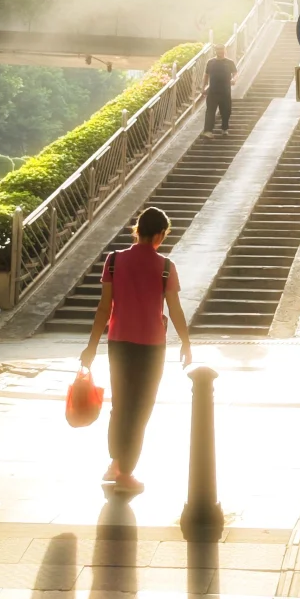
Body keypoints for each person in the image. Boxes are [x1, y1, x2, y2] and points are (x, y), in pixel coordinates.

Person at [79, 206, 192, 495]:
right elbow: (174, 308)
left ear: (136, 230)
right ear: (159, 234)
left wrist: (91, 347)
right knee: (141, 409)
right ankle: (125, 473)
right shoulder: (165, 266)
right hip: (152, 347)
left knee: (120, 406)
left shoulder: (114, 261)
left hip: (119, 344)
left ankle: (116, 462)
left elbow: (104, 308)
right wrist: (186, 342)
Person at [202, 44, 236, 137]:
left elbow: (235, 73)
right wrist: (203, 87)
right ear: (215, 51)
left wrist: (234, 79)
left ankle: (224, 128)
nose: (219, 52)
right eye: (217, 50)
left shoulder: (229, 62)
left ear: (224, 50)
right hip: (212, 91)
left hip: (225, 91)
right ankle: (208, 131)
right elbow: (206, 75)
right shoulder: (210, 62)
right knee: (210, 111)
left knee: (226, 111)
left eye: (221, 50)